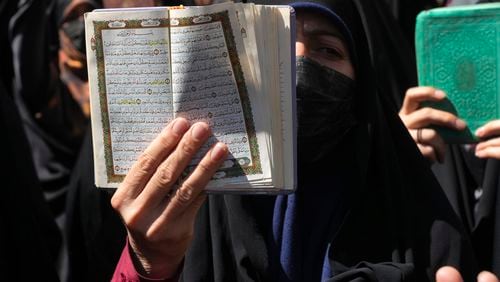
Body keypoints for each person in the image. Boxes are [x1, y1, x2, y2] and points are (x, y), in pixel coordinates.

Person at [109, 0, 479, 281]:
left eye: (327, 50)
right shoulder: (187, 211)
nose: (299, 65)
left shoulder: (427, 230)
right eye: (278, 45)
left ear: (362, 83)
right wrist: (149, 263)